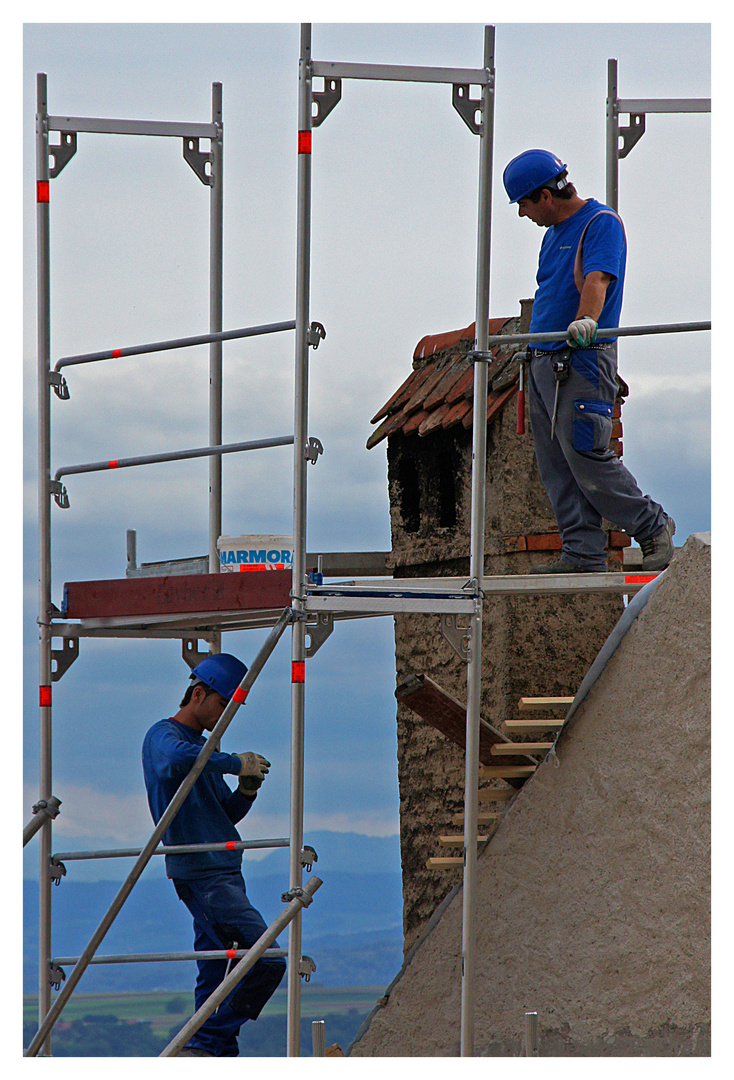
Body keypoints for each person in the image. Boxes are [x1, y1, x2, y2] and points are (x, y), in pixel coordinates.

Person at [502, 148, 675, 574]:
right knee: (556, 463)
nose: (523, 215)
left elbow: (597, 278)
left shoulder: (600, 224)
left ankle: (652, 526)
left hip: (579, 357)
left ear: (544, 195)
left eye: (524, 204)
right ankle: (582, 552)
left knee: (586, 452)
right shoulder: (552, 235)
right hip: (544, 360)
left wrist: (586, 320)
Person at [142, 652, 285, 1057]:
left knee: (213, 970)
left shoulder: (201, 749)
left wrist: (246, 789)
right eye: (223, 705)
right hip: (202, 874)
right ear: (198, 694)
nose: (226, 716)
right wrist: (232, 762)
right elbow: (173, 761)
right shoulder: (163, 737)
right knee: (267, 957)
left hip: (221, 870)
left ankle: (209, 1050)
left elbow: (225, 815)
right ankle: (208, 1041)